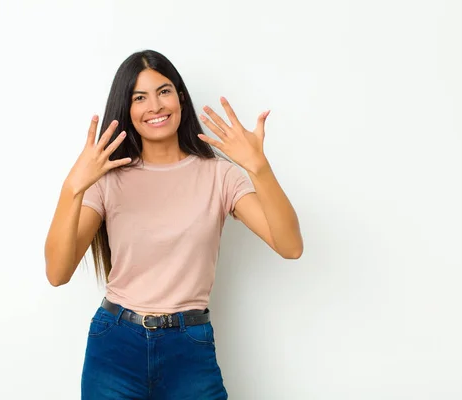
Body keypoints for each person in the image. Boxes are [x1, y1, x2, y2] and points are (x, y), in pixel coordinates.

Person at [44, 49, 303, 399]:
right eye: (140, 97)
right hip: (116, 346)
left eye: (164, 91)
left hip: (189, 347)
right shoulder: (108, 180)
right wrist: (73, 187)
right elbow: (58, 273)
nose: (155, 106)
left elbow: (290, 246)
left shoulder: (219, 175)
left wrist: (259, 168)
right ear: (127, 108)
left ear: (180, 97)